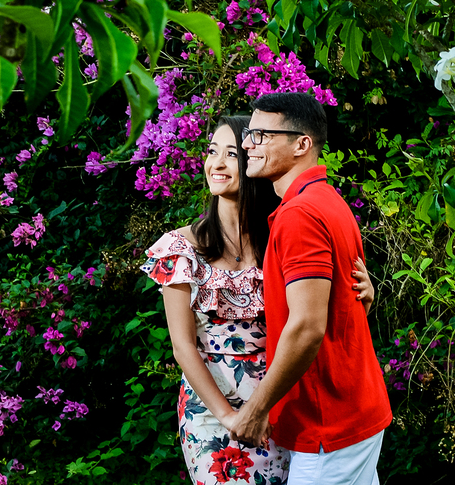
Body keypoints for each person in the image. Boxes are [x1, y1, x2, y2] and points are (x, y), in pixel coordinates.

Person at [141, 115, 375, 485]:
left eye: (231, 153)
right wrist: (232, 417)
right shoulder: (180, 248)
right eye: (212, 151)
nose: (216, 163)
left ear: (251, 161)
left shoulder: (285, 231)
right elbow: (182, 347)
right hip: (213, 414)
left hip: (281, 405)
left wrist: (363, 295)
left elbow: (314, 319)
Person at [229, 93, 392, 485]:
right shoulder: (326, 200)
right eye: (249, 133)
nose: (247, 143)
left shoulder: (300, 214)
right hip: (350, 412)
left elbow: (307, 327)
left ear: (302, 144)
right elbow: (344, 304)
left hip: (330, 423)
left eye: (261, 135)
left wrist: (256, 407)